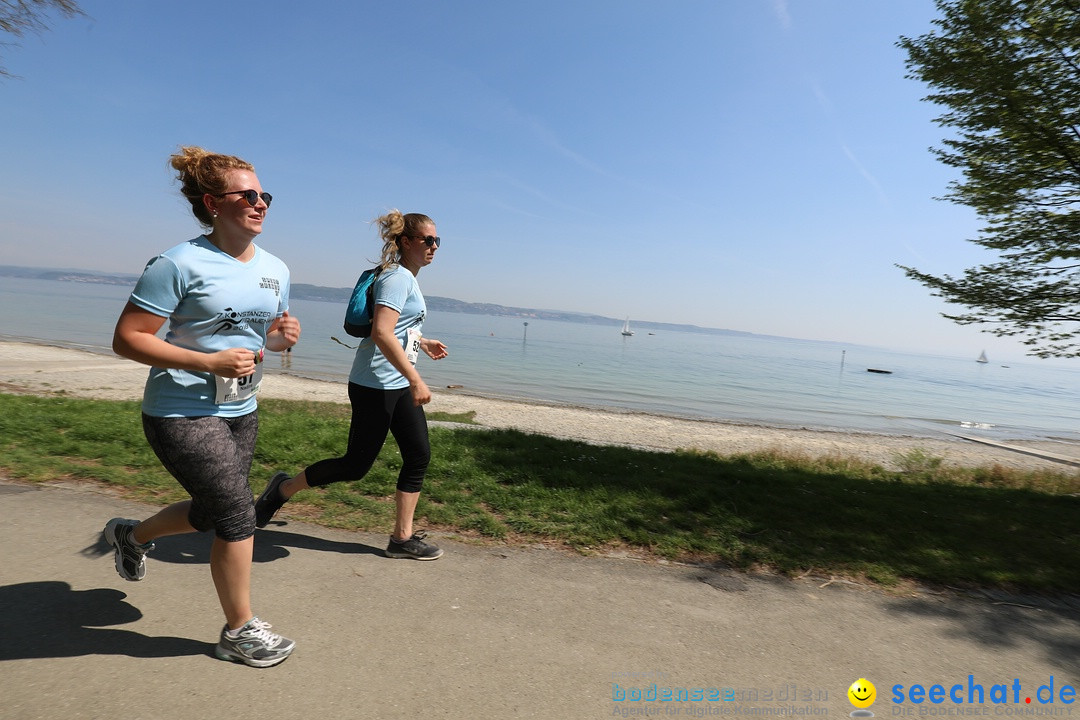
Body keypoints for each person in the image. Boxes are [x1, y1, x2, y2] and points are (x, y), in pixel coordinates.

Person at [103, 146, 301, 667]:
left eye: (266, 195)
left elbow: (256, 340)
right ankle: (239, 631)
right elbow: (128, 339)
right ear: (213, 203)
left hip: (241, 409)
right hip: (179, 410)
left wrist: (279, 340)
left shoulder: (277, 269)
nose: (261, 204)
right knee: (239, 515)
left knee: (213, 512)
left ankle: (131, 535)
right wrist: (207, 363)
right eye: (248, 195)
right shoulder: (177, 263)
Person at [254, 210, 448, 560]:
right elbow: (381, 333)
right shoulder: (398, 278)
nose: (435, 246)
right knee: (355, 466)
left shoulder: (407, 277)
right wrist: (415, 378)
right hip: (375, 384)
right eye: (428, 240)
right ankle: (281, 490)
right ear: (406, 242)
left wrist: (424, 341)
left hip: (395, 383)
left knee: (418, 455)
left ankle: (401, 539)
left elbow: (396, 330)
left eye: (438, 241)